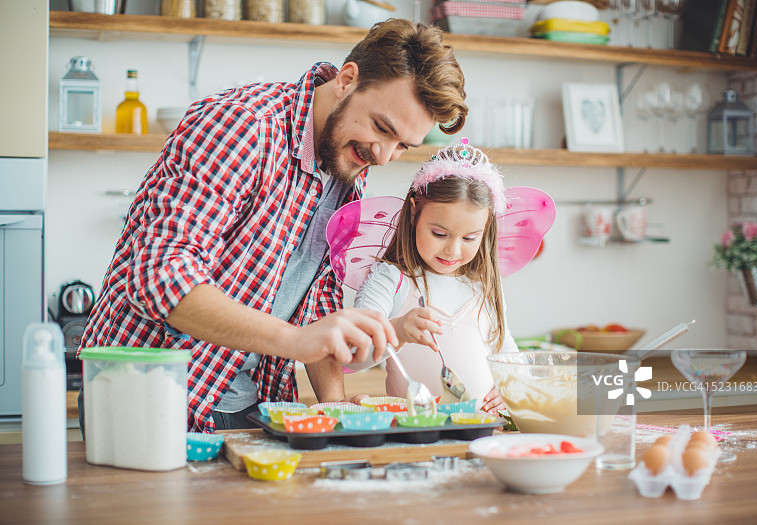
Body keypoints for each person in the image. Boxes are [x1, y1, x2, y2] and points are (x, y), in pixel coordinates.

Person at [77, 19, 468, 433]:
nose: (385, 155)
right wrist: (294, 340)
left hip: (248, 405)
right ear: (347, 79)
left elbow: (317, 305)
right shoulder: (241, 127)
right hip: (144, 397)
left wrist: (338, 412)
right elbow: (160, 275)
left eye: (403, 145)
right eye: (383, 128)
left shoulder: (349, 157)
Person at [352, 141, 520, 415]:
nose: (453, 250)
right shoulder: (390, 279)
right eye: (439, 234)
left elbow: (507, 352)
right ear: (414, 212)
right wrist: (396, 331)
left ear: (486, 228)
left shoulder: (484, 283)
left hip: (482, 429)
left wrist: (510, 386)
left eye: (469, 238)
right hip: (413, 435)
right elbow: (354, 356)